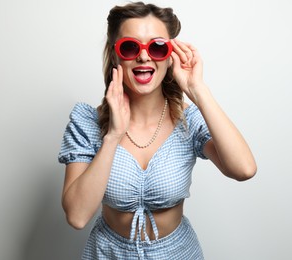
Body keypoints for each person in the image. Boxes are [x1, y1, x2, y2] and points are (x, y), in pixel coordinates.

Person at [58, 2, 257, 259]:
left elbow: (244, 169)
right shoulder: (87, 122)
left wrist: (198, 90)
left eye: (157, 47)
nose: (143, 56)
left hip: (178, 253)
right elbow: (77, 216)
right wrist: (114, 136)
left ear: (170, 54)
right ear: (115, 53)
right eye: (130, 47)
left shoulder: (188, 120)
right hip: (108, 253)